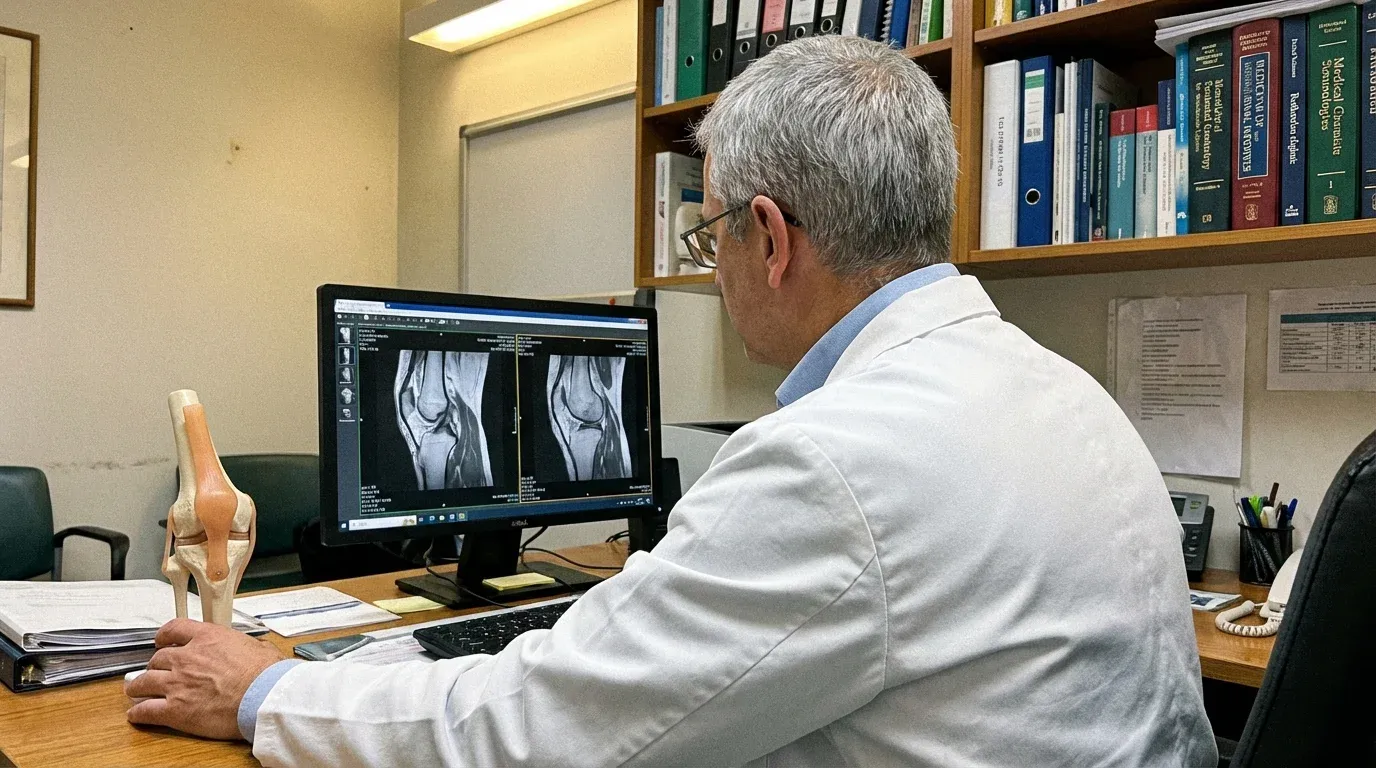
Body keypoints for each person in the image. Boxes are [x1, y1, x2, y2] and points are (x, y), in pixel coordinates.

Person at [126, 35, 1217, 766]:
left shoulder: (839, 460)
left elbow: (541, 732)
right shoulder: (1065, 393)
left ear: (771, 237)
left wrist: (270, 696)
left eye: (709, 238)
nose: (712, 268)